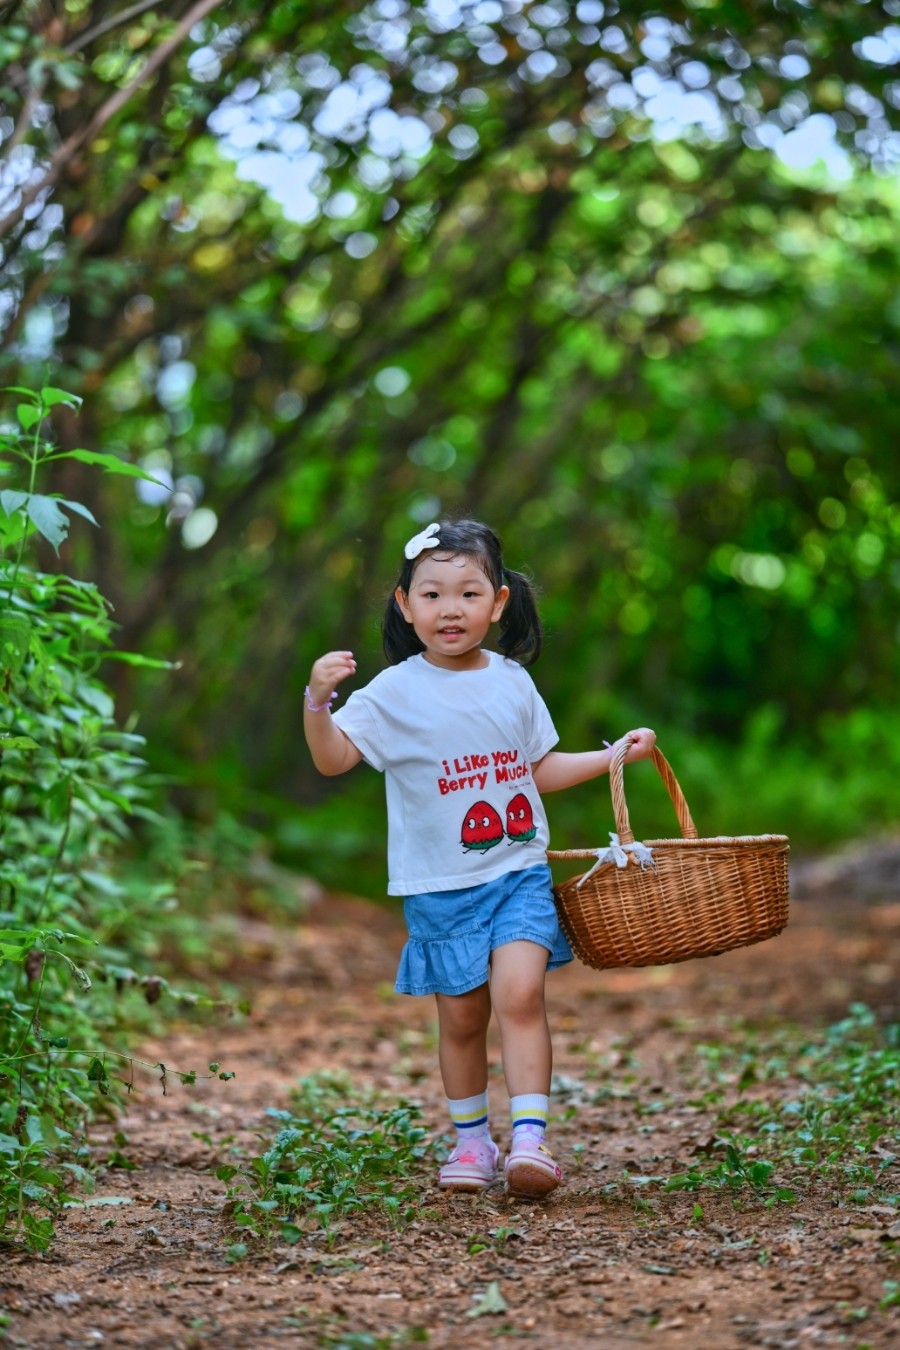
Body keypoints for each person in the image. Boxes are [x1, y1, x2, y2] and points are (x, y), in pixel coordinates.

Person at [304, 518, 656, 1199]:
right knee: (462, 1018)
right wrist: (318, 700)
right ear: (406, 608)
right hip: (440, 884)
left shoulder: (511, 682)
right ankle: (473, 1142)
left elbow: (538, 769)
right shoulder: (395, 693)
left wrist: (613, 755)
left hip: (517, 871)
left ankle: (529, 1139)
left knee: (520, 996)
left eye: (468, 594)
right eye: (432, 595)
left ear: (497, 603)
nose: (450, 609)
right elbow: (332, 759)